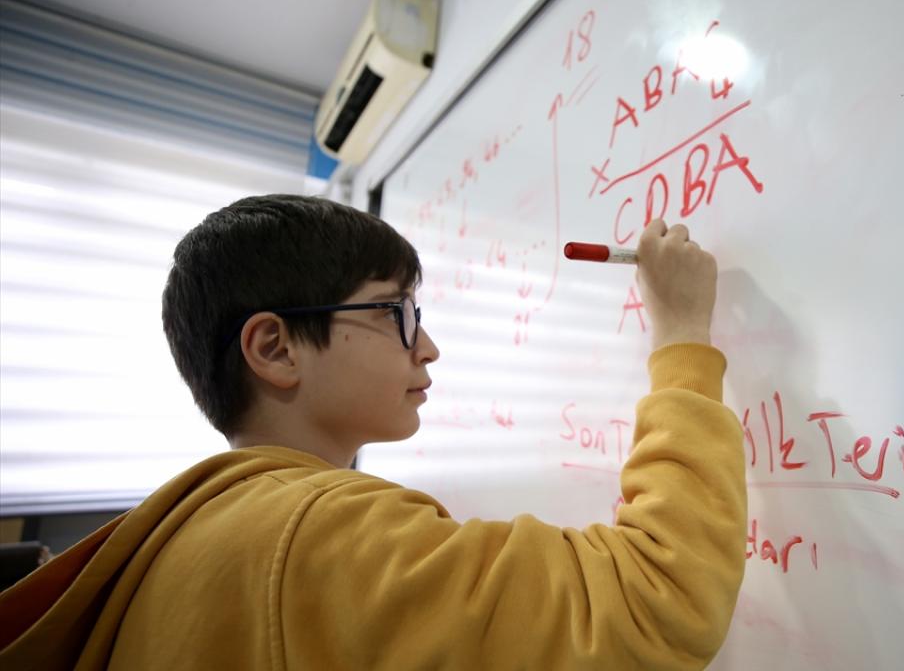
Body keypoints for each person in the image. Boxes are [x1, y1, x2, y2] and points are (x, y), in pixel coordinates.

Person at [0, 194, 747, 670]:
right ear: (275, 349)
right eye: (398, 313)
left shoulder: (188, 535)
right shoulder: (321, 535)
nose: (428, 348)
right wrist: (682, 333)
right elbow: (661, 598)